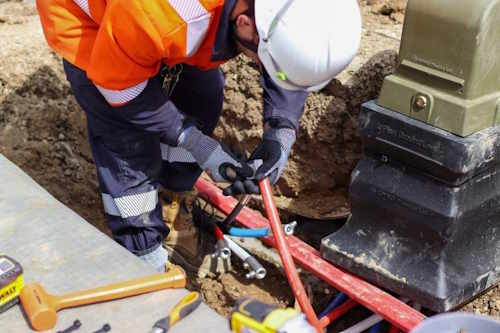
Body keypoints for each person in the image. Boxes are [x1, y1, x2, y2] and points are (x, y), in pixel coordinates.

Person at [36, 0, 362, 272]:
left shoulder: (278, 11)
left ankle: (171, 200)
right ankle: (142, 251)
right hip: (92, 22)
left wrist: (281, 131)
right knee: (128, 142)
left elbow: (282, 53)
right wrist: (192, 140)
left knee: (204, 96)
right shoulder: (166, 13)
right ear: (246, 24)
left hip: (156, 25)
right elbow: (120, 87)